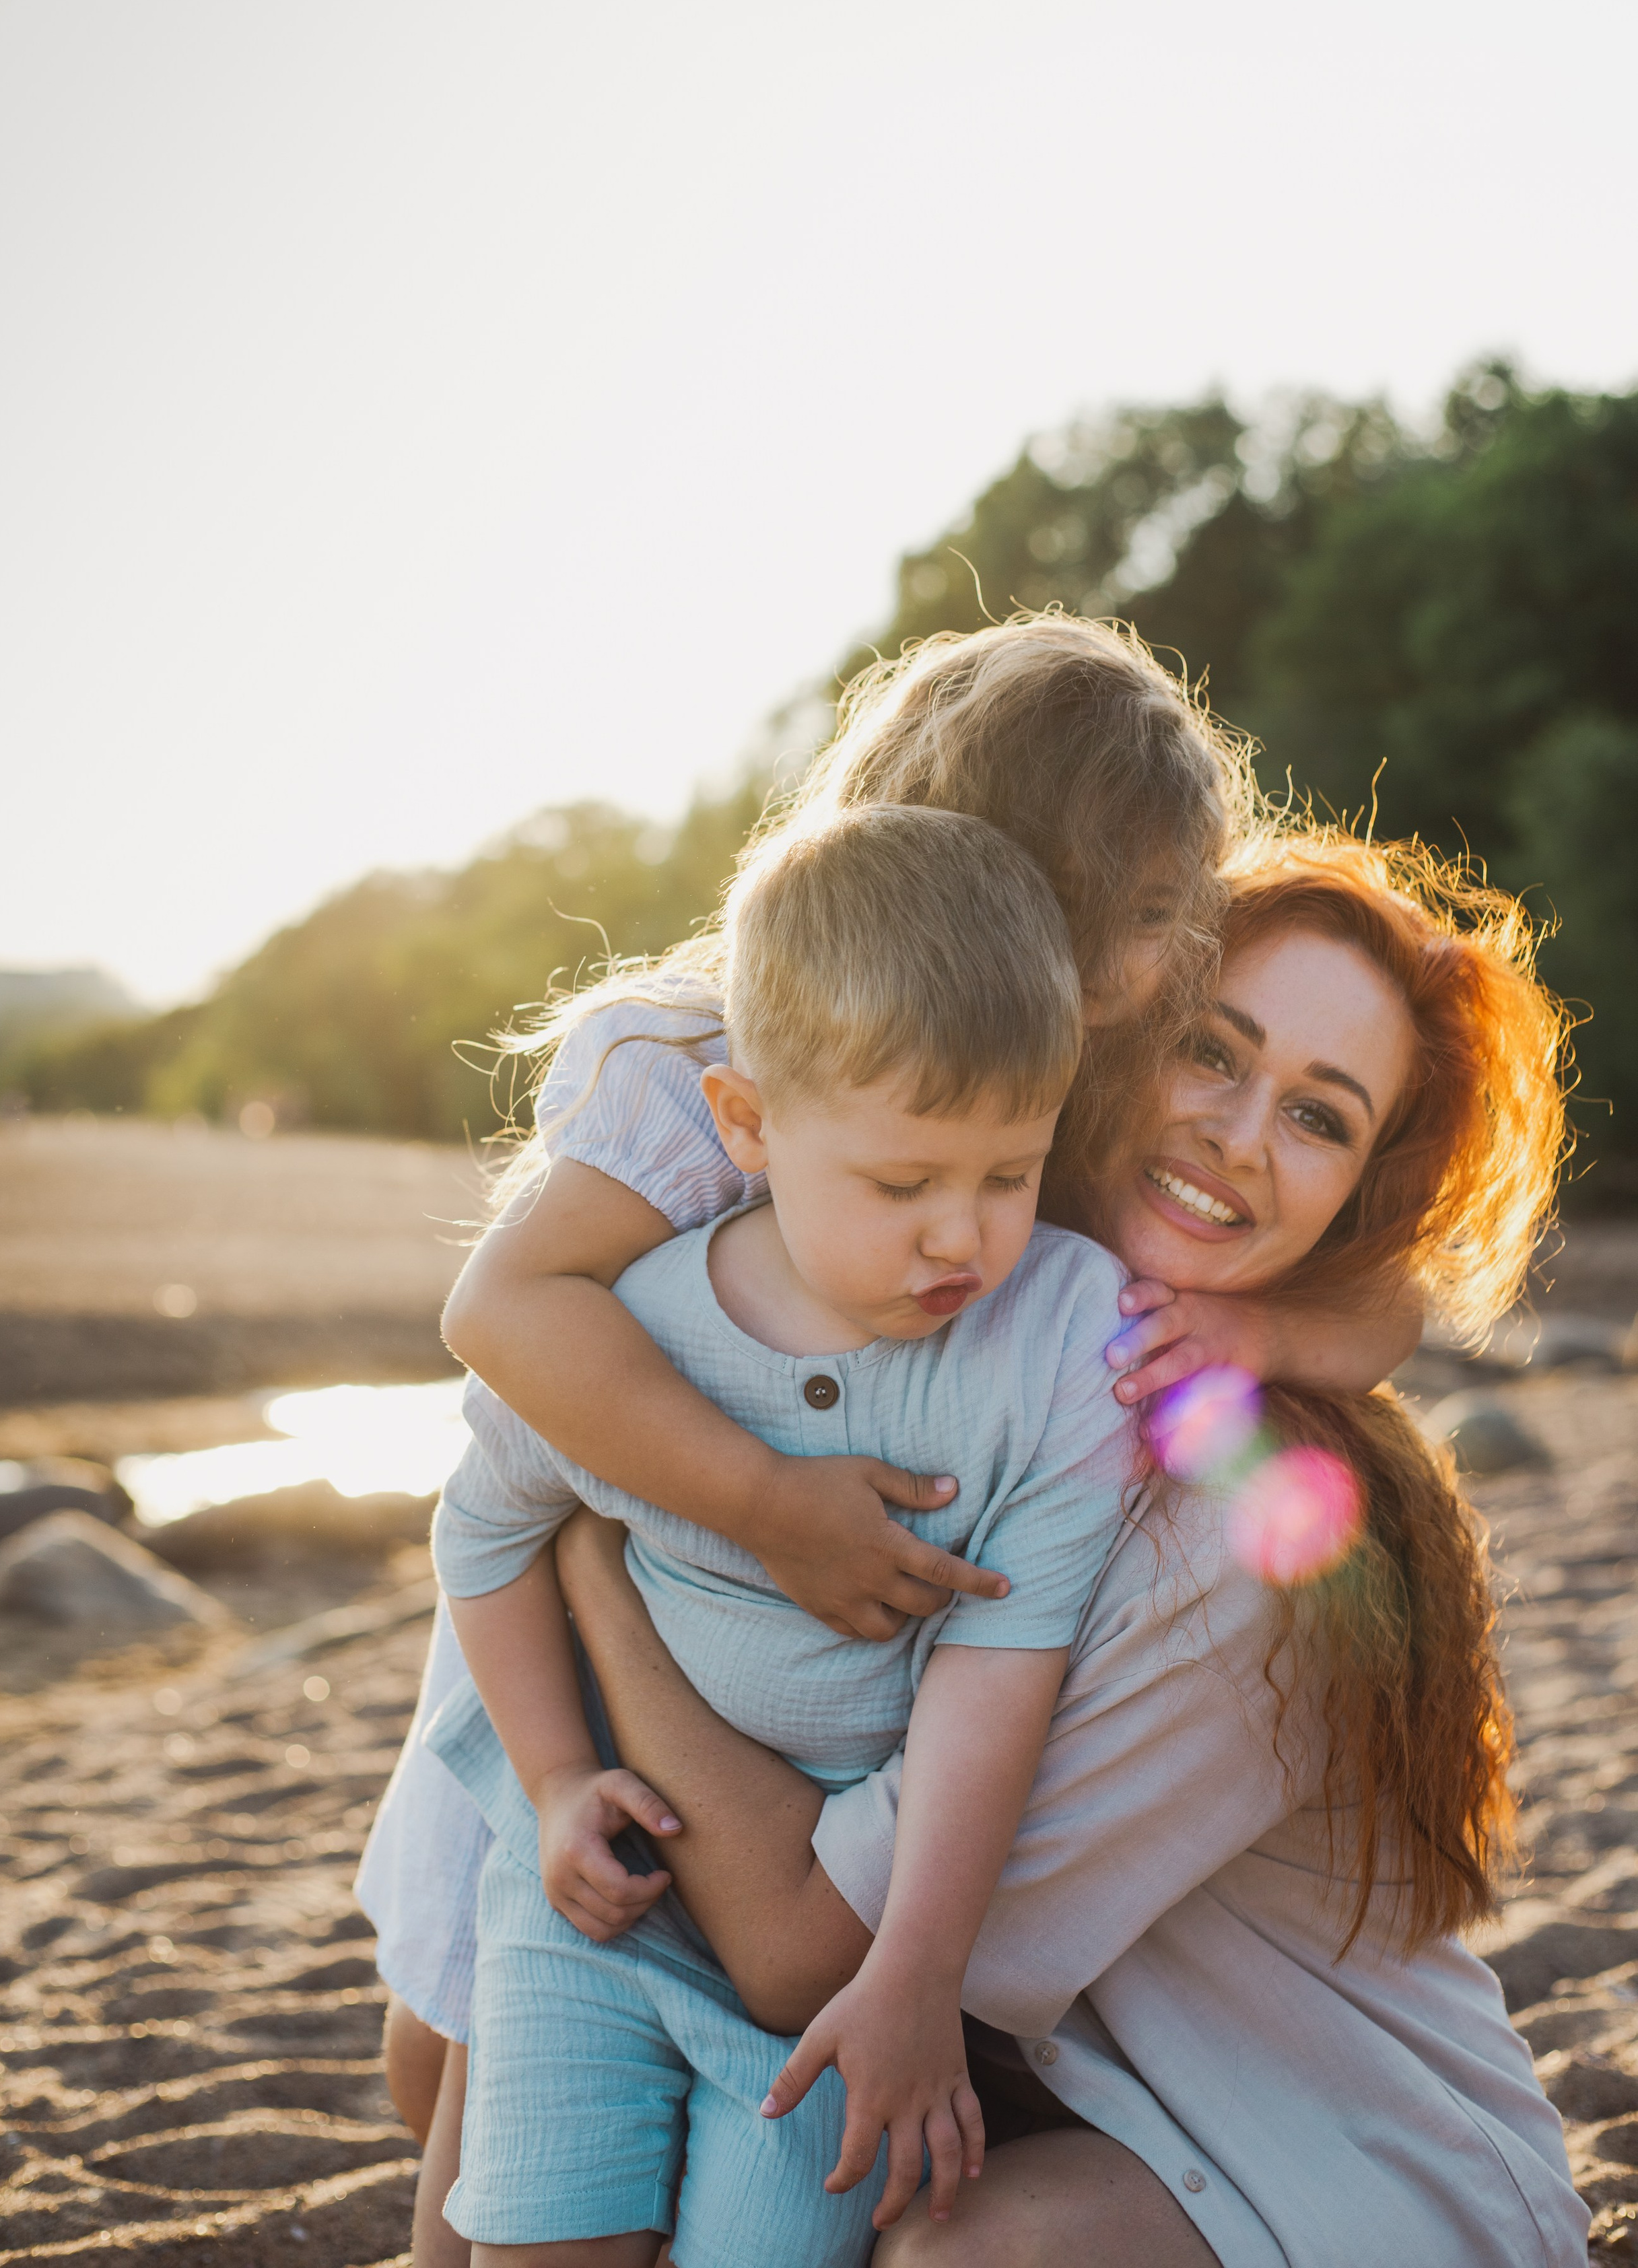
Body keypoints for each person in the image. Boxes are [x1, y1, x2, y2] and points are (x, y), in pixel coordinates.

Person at [531, 835, 1583, 2267]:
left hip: (1344, 2161)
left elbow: (794, 1955)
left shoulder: (1245, 1530)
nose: (1233, 1134)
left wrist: (595, 1548)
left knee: (963, 2254)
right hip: (1102, 2102)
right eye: (1212, 1051)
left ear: (1355, 1198)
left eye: (1318, 1121)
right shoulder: (962, 1301)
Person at [425, 804, 1133, 2262]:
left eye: (1010, 1176)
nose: (961, 1238)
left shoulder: (1051, 1347)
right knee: (538, 2239)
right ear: (746, 1125)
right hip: (591, 1907)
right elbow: (485, 1537)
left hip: (823, 1953)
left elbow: (999, 1666)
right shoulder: (632, 1332)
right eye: (902, 1184)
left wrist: (919, 1976)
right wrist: (556, 1781)